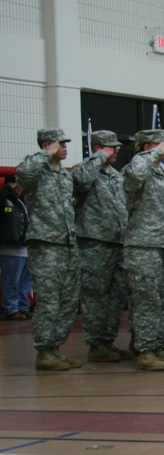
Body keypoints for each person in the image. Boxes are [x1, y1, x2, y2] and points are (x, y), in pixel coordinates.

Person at [16, 128, 82, 370]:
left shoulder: (63, 175)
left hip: (68, 243)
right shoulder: (35, 171)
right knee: (49, 299)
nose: (65, 147)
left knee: (69, 299)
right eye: (60, 143)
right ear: (47, 144)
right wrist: (45, 153)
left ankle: (55, 348)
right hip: (46, 244)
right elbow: (22, 171)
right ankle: (44, 351)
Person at [123, 129, 164, 371]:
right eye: (161, 144)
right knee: (147, 299)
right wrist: (148, 154)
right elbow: (135, 173)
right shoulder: (137, 169)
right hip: (144, 245)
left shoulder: (163, 175)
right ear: (147, 146)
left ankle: (158, 345)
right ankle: (146, 350)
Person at [72, 130, 130, 362]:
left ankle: (107, 340)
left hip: (118, 242)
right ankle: (96, 344)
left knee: (116, 296)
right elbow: (81, 182)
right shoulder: (85, 170)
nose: (115, 150)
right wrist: (97, 158)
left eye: (116, 147)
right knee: (95, 295)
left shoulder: (116, 176)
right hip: (95, 243)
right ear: (97, 147)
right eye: (109, 147)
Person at [0, 175, 32, 322]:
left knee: (24, 282)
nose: (19, 189)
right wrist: (7, 188)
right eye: (16, 185)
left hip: (25, 248)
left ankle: (22, 307)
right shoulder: (4, 200)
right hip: (10, 248)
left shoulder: (21, 201)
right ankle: (11, 308)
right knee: (11, 281)